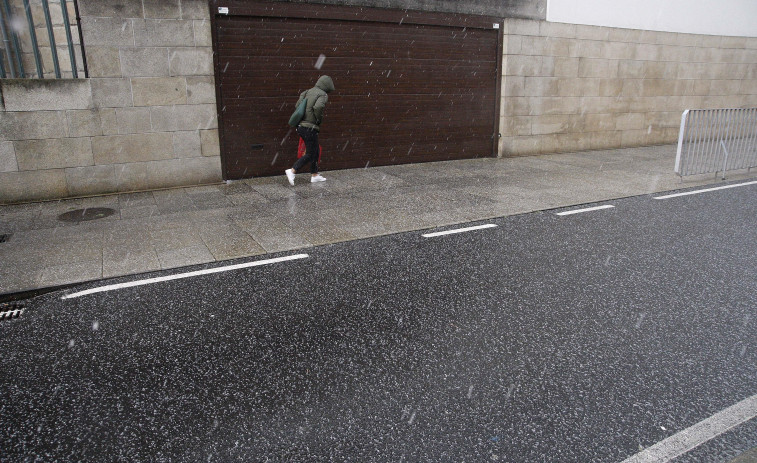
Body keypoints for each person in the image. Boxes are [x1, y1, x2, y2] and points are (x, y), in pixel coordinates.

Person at [285, 75, 335, 185]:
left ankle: (315, 175)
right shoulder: (323, 94)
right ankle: (293, 170)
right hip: (310, 127)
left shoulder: (307, 92)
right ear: (326, 86)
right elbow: (318, 107)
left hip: (301, 126)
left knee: (315, 150)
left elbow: (298, 105)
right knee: (311, 153)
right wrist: (318, 119)